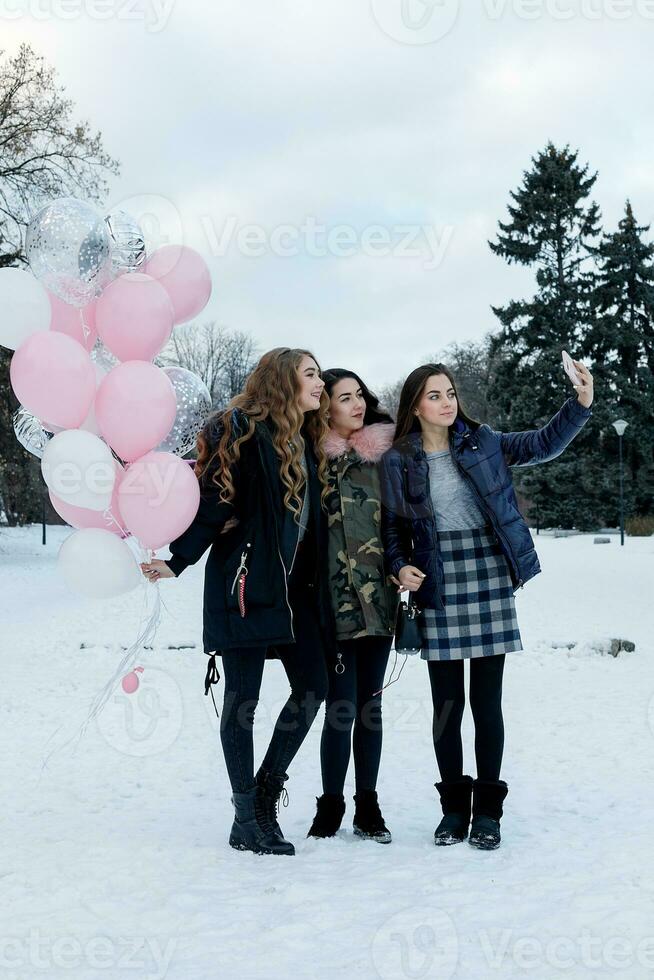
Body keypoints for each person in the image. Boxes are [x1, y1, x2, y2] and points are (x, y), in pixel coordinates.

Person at [380, 358, 594, 849]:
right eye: (434, 395)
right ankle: (453, 810)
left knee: (486, 701)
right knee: (447, 705)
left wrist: (579, 404)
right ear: (415, 404)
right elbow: (392, 526)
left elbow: (542, 444)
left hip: (489, 572)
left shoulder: (485, 441)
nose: (447, 402)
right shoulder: (399, 459)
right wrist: (398, 565)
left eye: (450, 393)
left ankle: (489, 813)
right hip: (437, 578)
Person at [140, 348, 333, 856]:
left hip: (296, 594)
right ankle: (245, 817)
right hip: (245, 587)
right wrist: (177, 560)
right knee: (242, 702)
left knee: (313, 687)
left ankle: (266, 792)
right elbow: (214, 502)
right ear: (282, 379)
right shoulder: (241, 429)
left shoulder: (305, 440)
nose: (321, 381)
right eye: (311, 373)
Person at [306, 369, 399, 844]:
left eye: (359, 395)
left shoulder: (384, 458)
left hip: (380, 602)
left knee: (370, 706)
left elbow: (401, 525)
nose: (357, 404)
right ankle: (331, 804)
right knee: (340, 706)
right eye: (345, 398)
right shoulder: (309, 461)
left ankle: (368, 805)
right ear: (326, 407)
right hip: (333, 606)